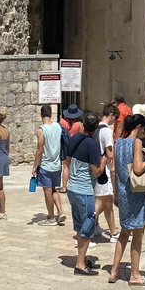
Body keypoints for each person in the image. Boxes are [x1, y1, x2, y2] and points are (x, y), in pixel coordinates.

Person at [108, 113, 145, 286]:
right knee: (138, 233)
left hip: (122, 191)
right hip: (136, 192)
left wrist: (115, 192)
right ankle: (135, 274)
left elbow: (113, 170)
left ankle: (114, 271)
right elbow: (138, 169)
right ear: (139, 127)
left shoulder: (118, 142)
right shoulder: (137, 142)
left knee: (124, 232)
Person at [61, 110, 107, 275]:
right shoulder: (92, 144)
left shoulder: (74, 138)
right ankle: (80, 264)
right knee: (87, 225)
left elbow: (67, 161)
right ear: (95, 128)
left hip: (72, 188)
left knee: (80, 225)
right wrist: (104, 162)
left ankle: (82, 257)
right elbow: (96, 172)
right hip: (84, 189)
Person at [33, 105, 67, 225]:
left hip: (46, 165)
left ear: (41, 115)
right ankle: (60, 211)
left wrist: (34, 166)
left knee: (47, 191)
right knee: (54, 189)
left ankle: (51, 218)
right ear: (51, 114)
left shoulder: (41, 130)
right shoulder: (58, 126)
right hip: (57, 164)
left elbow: (39, 150)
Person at [94, 105, 118, 241]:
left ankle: (111, 231)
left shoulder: (96, 127)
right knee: (104, 203)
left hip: (97, 168)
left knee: (106, 202)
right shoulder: (107, 131)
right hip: (105, 171)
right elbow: (109, 154)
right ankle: (85, 228)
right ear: (111, 114)